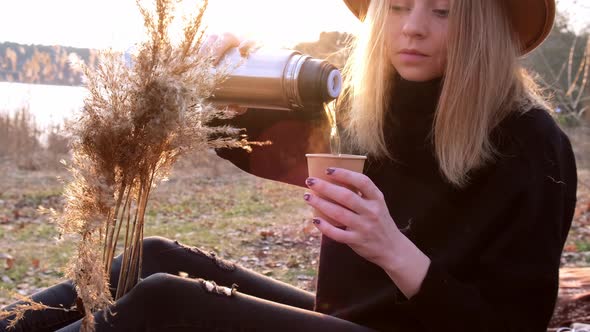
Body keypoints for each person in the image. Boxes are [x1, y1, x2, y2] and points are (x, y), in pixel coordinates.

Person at [1, 0, 577, 331]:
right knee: (157, 258)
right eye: (397, 4)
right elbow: (272, 150)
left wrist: (392, 249)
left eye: (442, 10)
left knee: (162, 301)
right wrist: (212, 79)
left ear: (482, 23)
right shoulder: (370, 103)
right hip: (344, 318)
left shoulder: (530, 144)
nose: (412, 27)